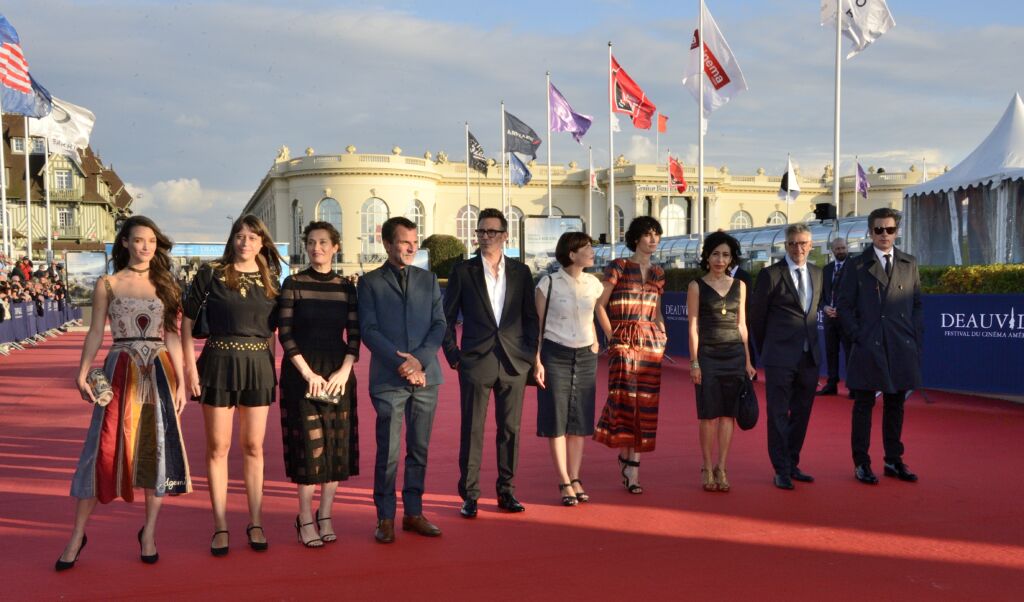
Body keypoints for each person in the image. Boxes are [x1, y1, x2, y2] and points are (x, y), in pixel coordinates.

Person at [57, 216, 191, 570]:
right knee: (101, 450)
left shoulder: (167, 284)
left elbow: (173, 335)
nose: (146, 246)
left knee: (155, 450)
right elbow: (95, 333)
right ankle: (76, 535)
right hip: (119, 372)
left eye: (151, 240)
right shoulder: (107, 283)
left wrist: (181, 381)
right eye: (139, 240)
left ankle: (149, 532)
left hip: (159, 373)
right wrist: (83, 370)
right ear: (126, 243)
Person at [182, 214, 283, 555]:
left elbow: (272, 332)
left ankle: (255, 521)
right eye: (240, 235)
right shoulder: (211, 274)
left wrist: (271, 368)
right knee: (218, 448)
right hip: (218, 363)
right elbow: (187, 322)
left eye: (253, 237)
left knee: (254, 447)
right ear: (232, 239)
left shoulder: (272, 280)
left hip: (257, 367)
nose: (245, 242)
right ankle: (221, 525)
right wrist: (190, 369)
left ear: (262, 242)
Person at [443, 208, 538, 518]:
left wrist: (528, 355)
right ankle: (469, 495)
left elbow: (530, 317)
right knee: (472, 430)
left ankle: (506, 492)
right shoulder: (462, 271)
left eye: (492, 232)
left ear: (504, 236)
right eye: (481, 231)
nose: (485, 237)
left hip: (513, 363)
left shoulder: (522, 272)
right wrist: (454, 355)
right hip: (475, 361)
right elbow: (446, 317)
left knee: (510, 430)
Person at [359, 216, 446, 543]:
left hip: (427, 378)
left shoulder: (429, 279)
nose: (412, 247)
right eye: (404, 241)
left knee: (419, 449)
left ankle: (413, 512)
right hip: (388, 379)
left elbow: (439, 325)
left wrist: (420, 361)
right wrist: (403, 364)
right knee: (390, 451)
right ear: (386, 243)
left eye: (415, 241)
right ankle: (385, 517)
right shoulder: (369, 283)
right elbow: (369, 330)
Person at [277, 221, 361, 548]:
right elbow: (285, 333)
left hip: (339, 370)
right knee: (309, 448)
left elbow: (355, 335)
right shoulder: (293, 283)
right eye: (311, 242)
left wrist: (344, 371)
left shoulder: (346, 287)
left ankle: (325, 513)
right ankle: (305, 516)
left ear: (335, 247)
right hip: (302, 373)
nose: (317, 248)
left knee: (335, 447)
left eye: (324, 242)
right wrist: (308, 373)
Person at [837, 208, 922, 485]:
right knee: (863, 405)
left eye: (889, 229)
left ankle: (893, 460)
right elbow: (844, 307)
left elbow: (916, 304)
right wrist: (858, 335)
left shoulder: (909, 263)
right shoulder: (856, 265)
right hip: (868, 344)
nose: (884, 235)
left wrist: (914, 335)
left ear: (897, 231)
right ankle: (861, 462)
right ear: (870, 232)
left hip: (900, 344)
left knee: (896, 404)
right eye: (878, 230)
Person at [593, 216, 667, 494]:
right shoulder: (619, 266)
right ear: (636, 237)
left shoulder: (659, 273)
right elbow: (601, 304)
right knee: (624, 399)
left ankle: (632, 465)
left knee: (645, 403)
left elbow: (657, 310)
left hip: (650, 343)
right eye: (648, 234)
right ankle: (626, 459)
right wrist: (612, 337)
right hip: (623, 339)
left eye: (656, 235)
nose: (653, 240)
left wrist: (663, 335)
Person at [749, 223, 823, 490]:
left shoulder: (818, 273)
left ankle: (793, 463)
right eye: (793, 243)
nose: (798, 248)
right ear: (786, 245)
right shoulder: (771, 275)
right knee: (778, 413)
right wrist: (768, 348)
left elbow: (812, 313)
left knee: (802, 413)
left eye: (803, 243)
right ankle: (780, 468)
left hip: (809, 356)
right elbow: (757, 317)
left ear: (811, 245)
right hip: (779, 356)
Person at [532, 232, 603, 506]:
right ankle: (563, 480)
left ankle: (575, 477)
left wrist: (596, 342)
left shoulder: (594, 284)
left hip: (586, 355)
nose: (591, 252)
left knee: (580, 420)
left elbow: (592, 316)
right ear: (572, 254)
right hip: (555, 354)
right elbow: (537, 329)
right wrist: (537, 361)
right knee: (557, 418)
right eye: (587, 248)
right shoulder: (547, 284)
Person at [688, 232, 757, 493]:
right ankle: (707, 466)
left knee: (728, 415)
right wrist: (694, 362)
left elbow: (742, 326)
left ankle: (722, 467)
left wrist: (748, 360)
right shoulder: (696, 286)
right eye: (715, 254)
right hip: (708, 356)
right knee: (708, 416)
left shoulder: (740, 286)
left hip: (735, 357)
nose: (720, 259)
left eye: (725, 255)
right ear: (707, 256)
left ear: (732, 258)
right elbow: (693, 326)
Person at [817, 237, 852, 397]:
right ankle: (832, 384)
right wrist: (825, 307)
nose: (841, 251)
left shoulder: (855, 268)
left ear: (847, 248)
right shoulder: (826, 269)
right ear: (832, 250)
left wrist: (842, 310)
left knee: (850, 352)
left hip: (847, 318)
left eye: (843, 248)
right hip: (829, 317)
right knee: (831, 351)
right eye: (837, 249)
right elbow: (821, 293)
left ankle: (853, 387)